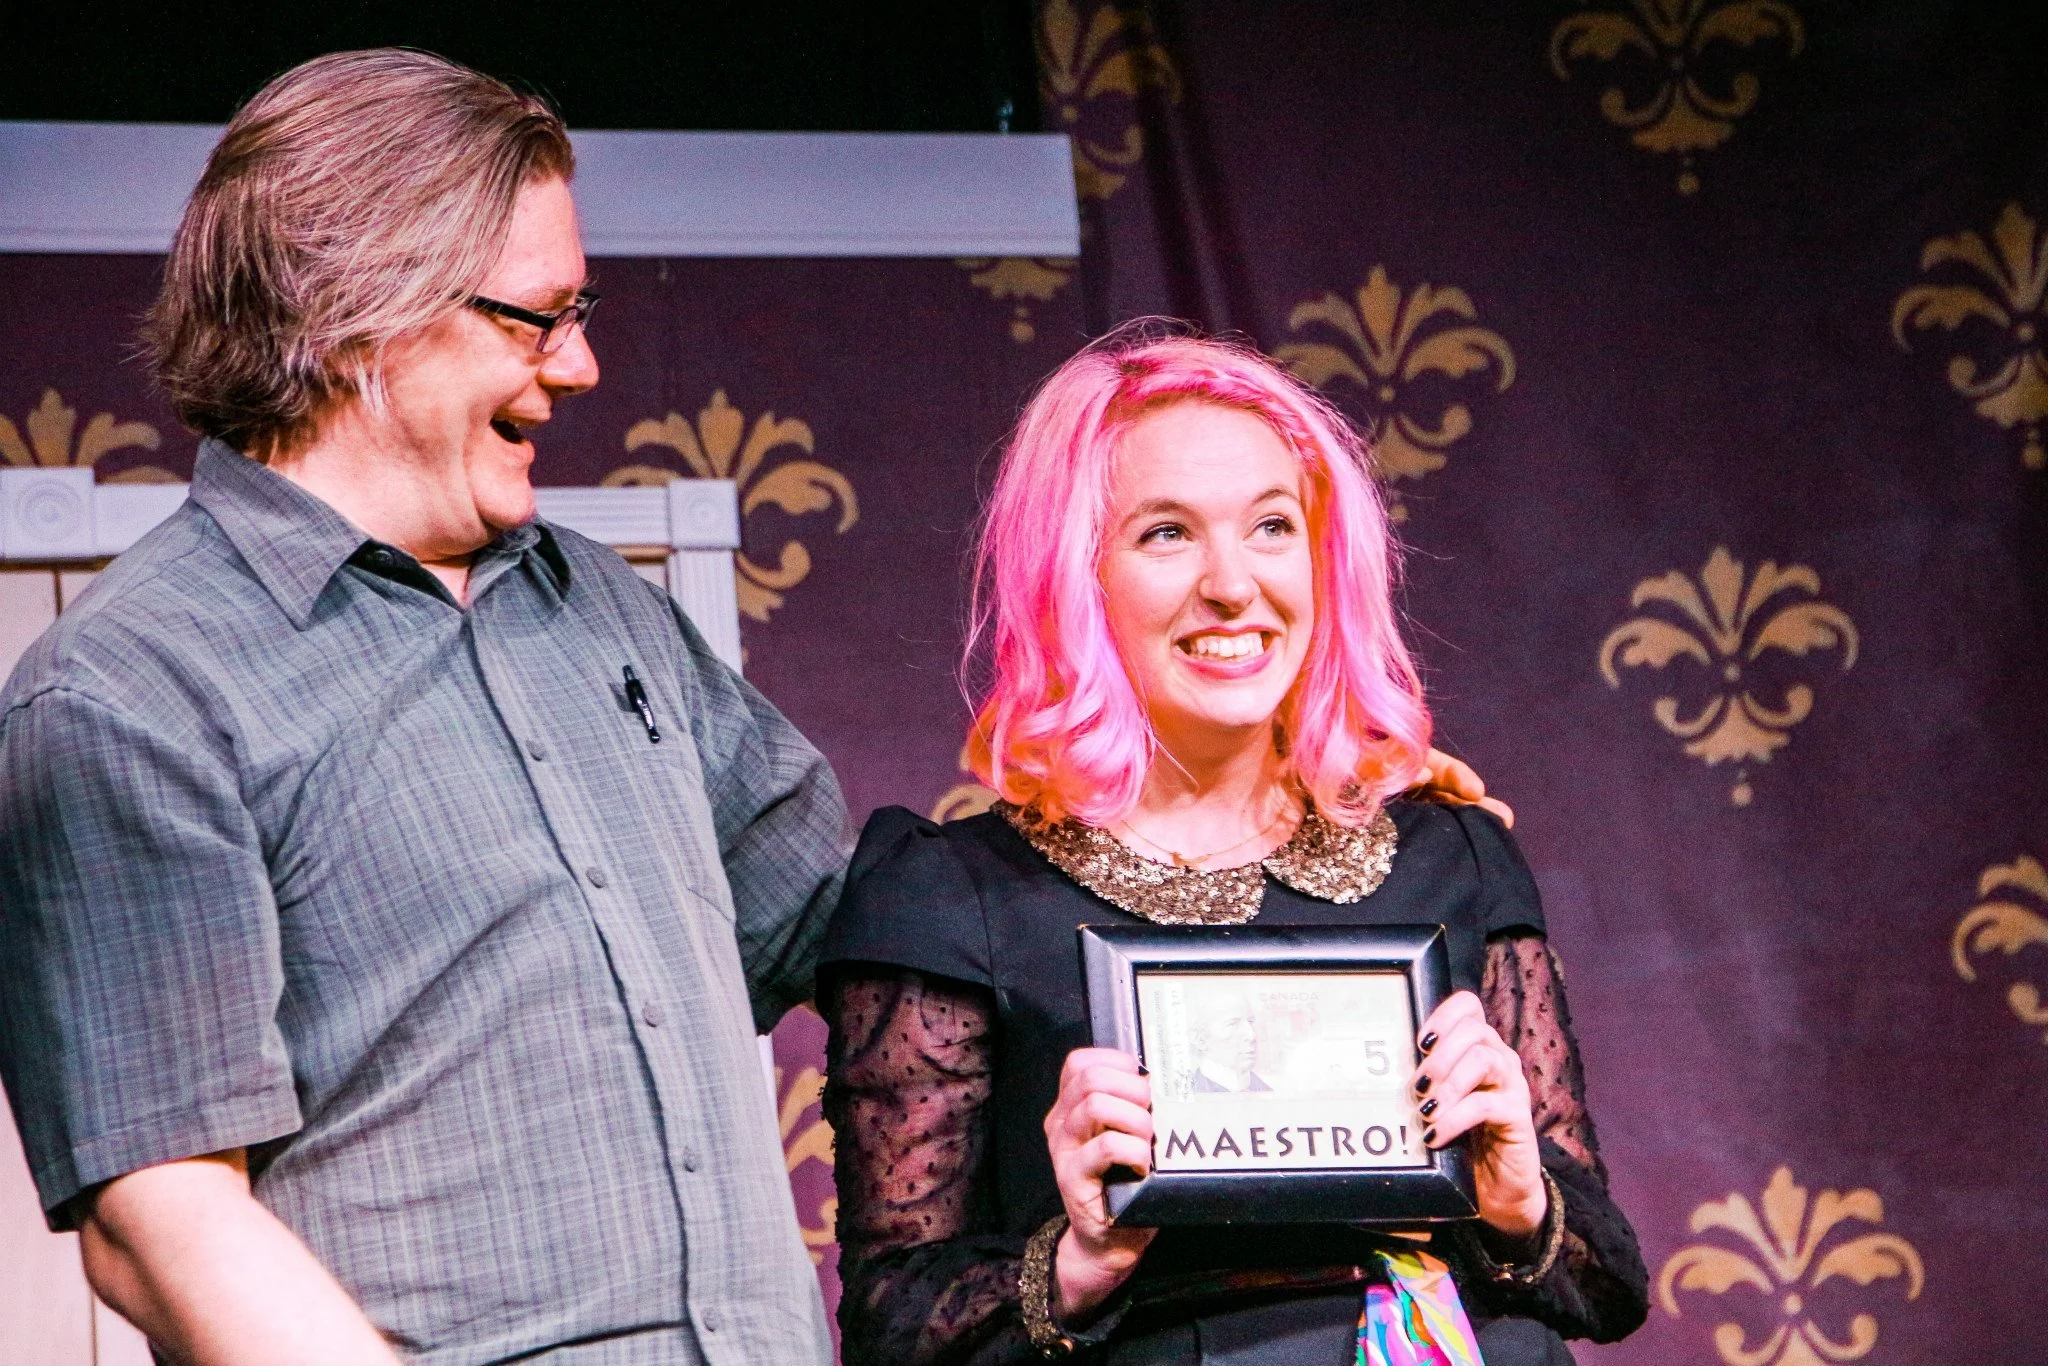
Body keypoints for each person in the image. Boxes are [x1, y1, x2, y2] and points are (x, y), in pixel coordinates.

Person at [0, 51, 846, 1364]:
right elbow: (159, 1215)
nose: (582, 365)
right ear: (358, 312)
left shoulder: (606, 612)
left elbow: (859, 922)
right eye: (537, 318)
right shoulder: (129, 689)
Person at [817, 328, 1650, 1364]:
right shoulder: (951, 897)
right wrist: (1076, 1262)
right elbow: (892, 1328)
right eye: (1167, 533)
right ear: (1076, 575)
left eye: (1271, 525)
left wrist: (1520, 1201)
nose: (1232, 585)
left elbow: (1608, 1285)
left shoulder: (1452, 856)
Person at [1184, 987, 1269, 1093]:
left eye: (1250, 1022)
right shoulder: (1192, 1094)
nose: (1251, 1035)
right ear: (1200, 1039)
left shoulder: (1267, 1091)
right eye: (1233, 1024)